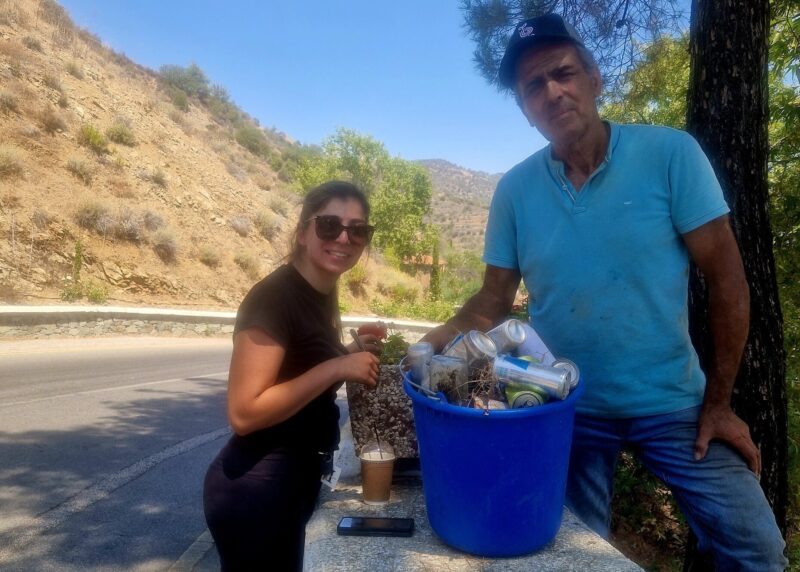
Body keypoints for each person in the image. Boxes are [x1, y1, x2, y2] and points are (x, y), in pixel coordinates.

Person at [422, 13, 787, 570]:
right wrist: (423, 350)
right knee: (569, 552)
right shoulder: (515, 190)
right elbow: (491, 301)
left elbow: (727, 280)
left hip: (674, 403)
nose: (552, 92)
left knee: (757, 548)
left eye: (563, 73)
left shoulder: (670, 155)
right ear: (525, 109)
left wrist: (719, 403)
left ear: (594, 77)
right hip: (564, 404)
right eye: (533, 86)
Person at [203, 180, 382, 571]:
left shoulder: (318, 292)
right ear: (303, 232)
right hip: (256, 491)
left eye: (358, 230)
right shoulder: (274, 298)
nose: (344, 238)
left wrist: (349, 352)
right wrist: (337, 366)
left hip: (292, 481)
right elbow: (244, 412)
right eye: (330, 225)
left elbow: (300, 372)